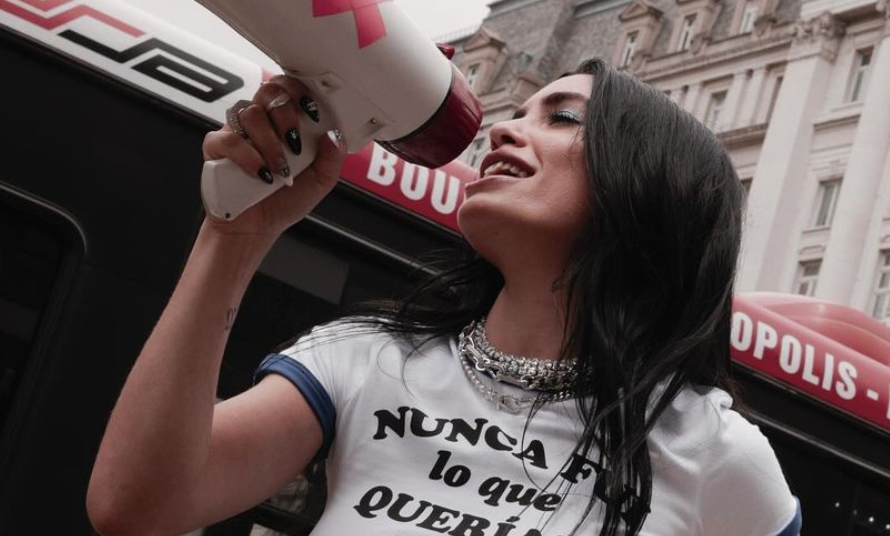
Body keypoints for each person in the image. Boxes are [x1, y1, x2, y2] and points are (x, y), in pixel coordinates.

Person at [85, 59, 803, 536]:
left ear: (650, 185)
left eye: (561, 117)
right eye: (516, 109)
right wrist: (233, 233)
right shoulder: (362, 358)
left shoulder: (711, 449)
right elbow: (137, 505)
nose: (502, 127)